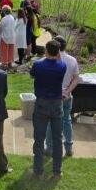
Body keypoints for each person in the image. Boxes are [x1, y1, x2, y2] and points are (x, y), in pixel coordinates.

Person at [30, 40, 66, 179]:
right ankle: (57, 172)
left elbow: (32, 74)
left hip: (41, 104)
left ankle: (38, 171)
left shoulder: (38, 65)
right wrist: (56, 54)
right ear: (58, 52)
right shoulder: (62, 66)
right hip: (57, 104)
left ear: (46, 50)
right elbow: (60, 61)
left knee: (39, 138)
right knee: (57, 138)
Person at [45, 36, 80, 158]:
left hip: (54, 97)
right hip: (67, 96)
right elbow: (76, 78)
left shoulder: (50, 60)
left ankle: (49, 149)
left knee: (50, 122)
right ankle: (69, 149)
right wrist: (68, 91)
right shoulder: (72, 60)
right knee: (67, 121)